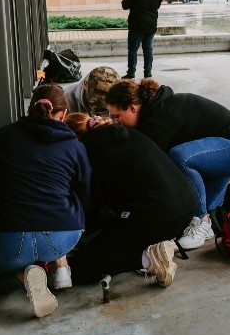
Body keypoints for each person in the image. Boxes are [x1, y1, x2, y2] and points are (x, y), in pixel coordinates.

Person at [105, 78, 230, 250]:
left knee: (179, 158)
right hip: (215, 151)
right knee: (203, 204)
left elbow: (152, 169)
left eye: (117, 116)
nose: (114, 122)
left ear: (132, 108)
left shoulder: (158, 120)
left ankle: (201, 222)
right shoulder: (151, 112)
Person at [0, 84, 90, 318]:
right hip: (61, 237)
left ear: (30, 107)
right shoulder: (75, 147)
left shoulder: (3, 137)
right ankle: (61, 266)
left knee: (1, 280)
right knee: (68, 193)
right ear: (63, 115)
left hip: (14, 237)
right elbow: (84, 191)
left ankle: (24, 276)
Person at [64, 114, 198, 287]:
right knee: (115, 235)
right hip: (186, 205)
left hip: (161, 213)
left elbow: (93, 208)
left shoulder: (93, 153)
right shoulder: (122, 133)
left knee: (82, 266)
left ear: (75, 139)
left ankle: (149, 259)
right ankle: (159, 244)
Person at [121, 0, 162, 79]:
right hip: (151, 26)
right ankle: (148, 72)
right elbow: (157, 7)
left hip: (136, 25)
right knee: (148, 49)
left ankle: (131, 72)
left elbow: (125, 6)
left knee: (133, 49)